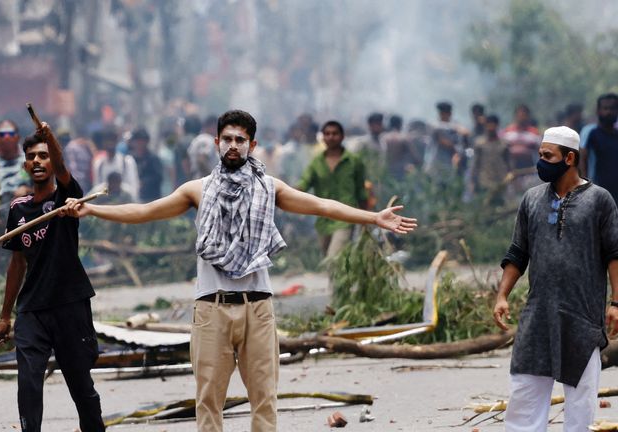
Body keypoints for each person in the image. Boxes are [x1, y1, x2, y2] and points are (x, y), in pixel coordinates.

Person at [61, 110, 416, 432]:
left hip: (258, 308)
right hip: (211, 309)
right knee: (209, 403)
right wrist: (95, 211)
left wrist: (373, 218)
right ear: (217, 143)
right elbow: (145, 210)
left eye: (240, 140)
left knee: (264, 399)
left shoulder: (269, 188)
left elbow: (320, 205)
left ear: (252, 145)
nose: (233, 146)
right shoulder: (197, 190)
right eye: (227, 139)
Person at [493, 126, 618, 431]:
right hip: (538, 316)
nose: (541, 162)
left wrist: (616, 302)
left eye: (548, 156)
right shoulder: (532, 200)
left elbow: (614, 253)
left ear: (570, 158)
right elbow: (517, 253)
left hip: (582, 316)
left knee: (580, 401)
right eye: (540, 155)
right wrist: (502, 296)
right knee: (524, 391)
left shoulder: (600, 200)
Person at [0, 123, 104, 432]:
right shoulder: (18, 210)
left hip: (70, 304)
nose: (39, 162)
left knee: (80, 384)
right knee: (28, 381)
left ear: (52, 161)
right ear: (25, 164)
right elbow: (17, 264)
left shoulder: (67, 200)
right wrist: (5, 316)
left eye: (44, 156)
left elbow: (65, 169)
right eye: (32, 157)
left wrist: (50, 137)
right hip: (32, 308)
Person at [297, 120, 368, 259]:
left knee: (334, 257)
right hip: (323, 218)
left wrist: (366, 218)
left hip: (346, 216)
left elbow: (361, 191)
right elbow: (304, 184)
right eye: (327, 134)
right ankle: (340, 281)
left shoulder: (354, 161)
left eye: (335, 133)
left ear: (342, 136)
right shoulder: (316, 162)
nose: (331, 137)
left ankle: (336, 281)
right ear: (322, 137)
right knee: (329, 260)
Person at [579, 93, 618, 205]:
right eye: (605, 108)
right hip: (597, 192)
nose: (608, 112)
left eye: (612, 108)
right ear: (598, 111)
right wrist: (585, 188)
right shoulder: (591, 134)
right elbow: (583, 160)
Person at [92, 126, 139, 200]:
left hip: (124, 206)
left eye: (113, 140)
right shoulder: (99, 164)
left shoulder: (127, 162)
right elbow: (96, 190)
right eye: (107, 140)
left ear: (117, 141)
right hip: (105, 206)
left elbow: (133, 189)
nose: (110, 143)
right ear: (103, 142)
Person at [471, 115, 509, 197]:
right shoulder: (479, 144)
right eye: (488, 125)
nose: (491, 128)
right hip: (484, 181)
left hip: (500, 181)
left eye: (493, 125)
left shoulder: (504, 144)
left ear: (497, 126)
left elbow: (509, 163)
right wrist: (473, 182)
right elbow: (475, 164)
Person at [128, 127, 163, 202]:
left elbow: (158, 177)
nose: (138, 143)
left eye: (141, 141)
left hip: (151, 198)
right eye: (136, 141)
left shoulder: (153, 158)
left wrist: (143, 182)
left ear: (146, 141)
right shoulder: (129, 159)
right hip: (133, 198)